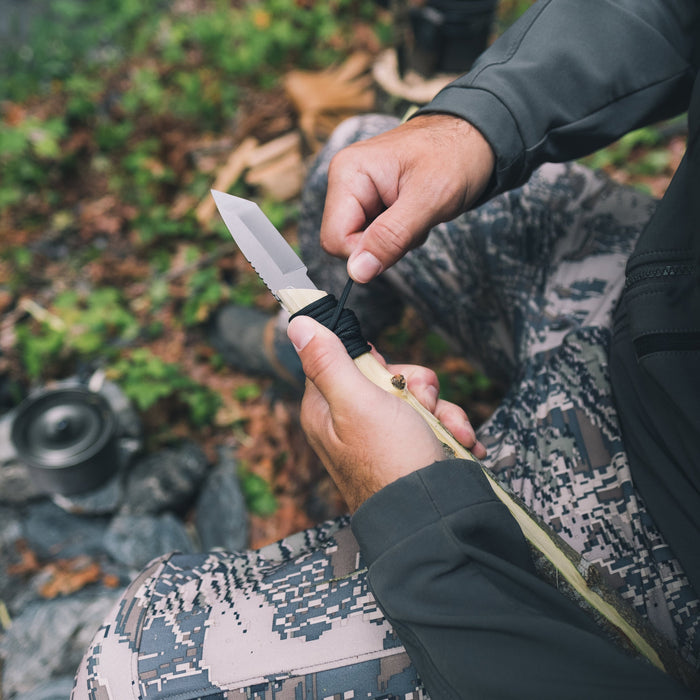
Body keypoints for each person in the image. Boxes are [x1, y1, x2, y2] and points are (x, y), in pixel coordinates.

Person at [73, 0, 700, 697]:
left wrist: (420, 522)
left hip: (665, 526)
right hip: (653, 303)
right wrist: (482, 121)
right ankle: (330, 371)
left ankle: (349, 401)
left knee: (127, 671)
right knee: (358, 167)